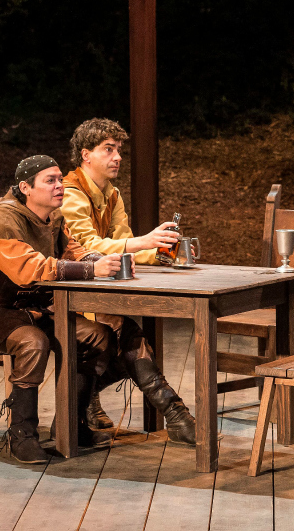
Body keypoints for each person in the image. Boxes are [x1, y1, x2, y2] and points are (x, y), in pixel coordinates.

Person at [0, 156, 195, 464]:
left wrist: (98, 260)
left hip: (34, 308)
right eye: (50, 180)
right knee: (33, 343)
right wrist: (92, 271)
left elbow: (75, 251)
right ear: (26, 187)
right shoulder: (2, 219)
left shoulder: (54, 218)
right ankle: (21, 434)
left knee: (99, 336)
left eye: (60, 179)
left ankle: (71, 424)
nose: (59, 186)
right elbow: (30, 269)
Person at [59, 118, 185, 432]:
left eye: (119, 150)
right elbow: (87, 246)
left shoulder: (111, 194)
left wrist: (161, 252)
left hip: (98, 285)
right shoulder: (71, 193)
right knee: (123, 334)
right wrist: (144, 242)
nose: (117, 157)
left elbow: (123, 246)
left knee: (129, 336)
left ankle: (89, 399)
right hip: (69, 286)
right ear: (86, 155)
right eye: (108, 150)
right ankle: (176, 416)